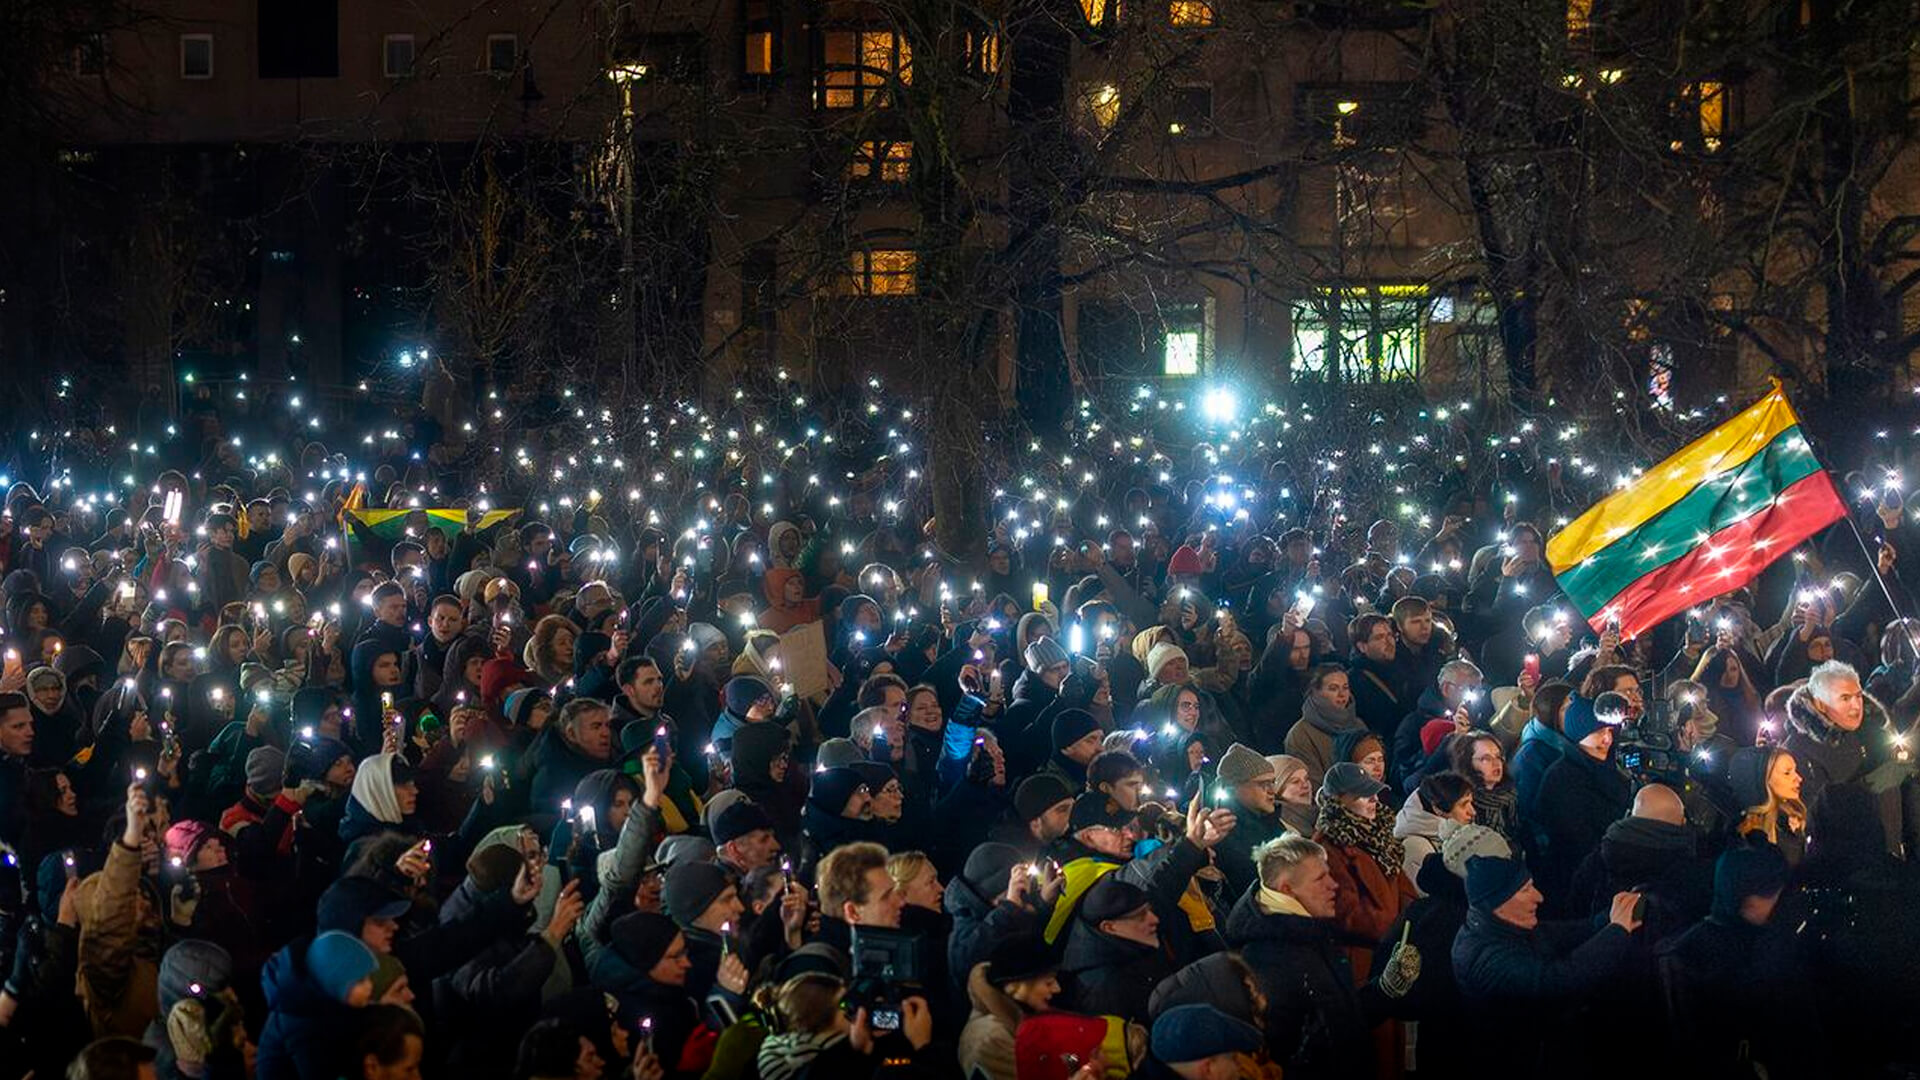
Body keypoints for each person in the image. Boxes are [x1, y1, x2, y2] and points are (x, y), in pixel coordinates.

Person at [1222, 834, 1419, 1076]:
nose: (1333, 884)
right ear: (1286, 889)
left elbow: (1341, 1018)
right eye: (1320, 878)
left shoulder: (1309, 930)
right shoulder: (1266, 961)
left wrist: (1385, 990)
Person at [1450, 856, 1641, 1074]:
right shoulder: (1487, 960)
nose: (1538, 897)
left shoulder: (1502, 929)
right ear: (1498, 903)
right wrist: (1617, 931)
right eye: (1525, 890)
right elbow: (1560, 979)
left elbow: (1571, 932)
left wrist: (1613, 914)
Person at [1283, 665, 1366, 791]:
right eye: (1333, 689)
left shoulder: (1358, 725)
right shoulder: (1300, 735)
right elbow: (1312, 785)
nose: (1342, 694)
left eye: (1345, 688)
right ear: (1315, 692)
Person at [1730, 745, 1810, 866]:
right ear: (1764, 781)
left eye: (1795, 770)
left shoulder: (1795, 817)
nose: (1799, 778)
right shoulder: (1751, 839)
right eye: (1787, 773)